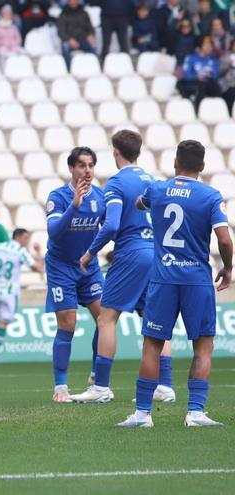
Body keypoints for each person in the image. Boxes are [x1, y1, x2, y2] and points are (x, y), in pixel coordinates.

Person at [118, 140, 232, 428]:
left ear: (175, 162)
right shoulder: (210, 196)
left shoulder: (157, 189)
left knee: (152, 347)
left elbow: (138, 203)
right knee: (203, 347)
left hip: (163, 278)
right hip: (196, 280)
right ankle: (195, 413)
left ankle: (143, 414)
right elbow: (224, 239)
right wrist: (228, 268)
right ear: (202, 166)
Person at [71, 130, 175, 404]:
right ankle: (164, 386)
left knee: (107, 318)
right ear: (138, 152)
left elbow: (113, 224)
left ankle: (101, 387)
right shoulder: (152, 180)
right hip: (156, 253)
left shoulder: (117, 182)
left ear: (116, 151)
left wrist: (90, 254)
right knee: (154, 320)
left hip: (130, 253)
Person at [44, 147, 106, 403]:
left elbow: (109, 229)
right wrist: (73, 207)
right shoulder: (58, 197)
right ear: (71, 168)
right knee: (68, 323)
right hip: (61, 267)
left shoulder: (101, 198)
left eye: (91, 165)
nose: (87, 170)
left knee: (105, 320)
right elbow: (53, 232)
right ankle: (61, 387)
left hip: (88, 268)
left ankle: (96, 378)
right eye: (82, 165)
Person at [0, 229, 44, 364]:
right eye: (25, 238)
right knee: (4, 322)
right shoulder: (20, 251)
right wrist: (38, 253)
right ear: (19, 237)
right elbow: (36, 268)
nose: (26, 241)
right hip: (9, 292)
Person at [177, 36, 222, 109]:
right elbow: (186, 73)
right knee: (197, 86)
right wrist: (196, 76)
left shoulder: (213, 59)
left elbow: (215, 74)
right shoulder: (191, 58)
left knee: (216, 87)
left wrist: (210, 75)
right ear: (200, 46)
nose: (209, 47)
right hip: (194, 83)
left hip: (208, 83)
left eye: (210, 45)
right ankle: (196, 109)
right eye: (206, 45)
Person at [57, 0, 98, 69]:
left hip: (83, 39)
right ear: (68, 2)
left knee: (93, 46)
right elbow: (61, 32)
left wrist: (91, 35)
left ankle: (94, 67)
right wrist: (69, 40)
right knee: (65, 46)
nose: (74, 2)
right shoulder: (63, 14)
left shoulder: (84, 13)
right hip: (70, 40)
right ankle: (68, 69)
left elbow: (90, 27)